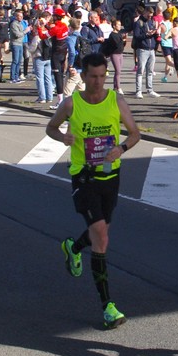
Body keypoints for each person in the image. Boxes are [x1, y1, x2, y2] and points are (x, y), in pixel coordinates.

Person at [51, 53, 141, 330]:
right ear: (84, 76)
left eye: (103, 76)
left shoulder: (117, 101)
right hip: (84, 176)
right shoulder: (71, 103)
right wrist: (63, 136)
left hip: (110, 176)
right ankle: (107, 306)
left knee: (100, 231)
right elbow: (51, 128)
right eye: (93, 76)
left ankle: (73, 247)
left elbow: (135, 133)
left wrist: (121, 149)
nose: (98, 81)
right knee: (101, 234)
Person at [131, 5, 160, 98]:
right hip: (142, 49)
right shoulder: (139, 22)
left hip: (151, 49)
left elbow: (154, 35)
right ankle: (138, 91)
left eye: (151, 16)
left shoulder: (151, 22)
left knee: (150, 71)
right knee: (140, 71)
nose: (150, 17)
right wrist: (147, 34)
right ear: (145, 12)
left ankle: (150, 90)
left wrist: (156, 34)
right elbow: (136, 36)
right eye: (149, 15)